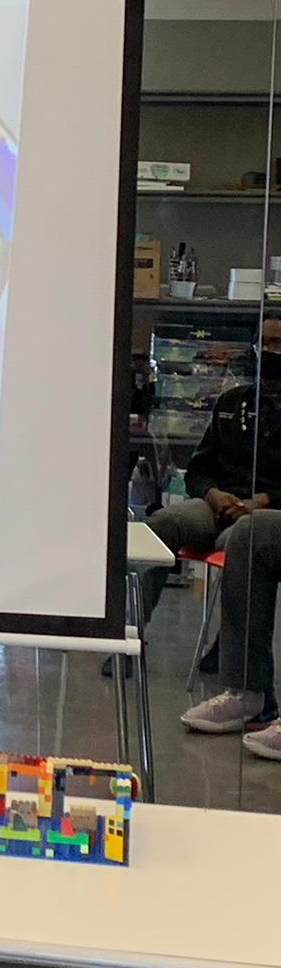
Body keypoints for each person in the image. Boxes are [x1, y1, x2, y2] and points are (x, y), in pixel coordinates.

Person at [152, 315, 281, 755]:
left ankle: (242, 679)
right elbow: (199, 467)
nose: (270, 351)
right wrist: (212, 493)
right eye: (264, 342)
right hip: (221, 504)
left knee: (245, 536)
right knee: (162, 525)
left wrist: (261, 500)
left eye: (278, 342)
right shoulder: (232, 403)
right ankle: (126, 634)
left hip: (265, 512)